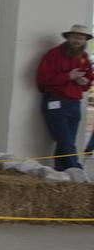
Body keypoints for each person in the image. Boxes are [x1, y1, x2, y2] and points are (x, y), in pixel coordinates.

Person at [35, 24, 93, 172]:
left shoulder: (84, 58)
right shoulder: (53, 55)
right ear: (68, 37)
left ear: (85, 41)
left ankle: (61, 172)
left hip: (74, 103)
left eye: (81, 38)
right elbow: (42, 78)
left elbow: (88, 80)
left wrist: (84, 82)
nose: (78, 41)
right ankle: (76, 170)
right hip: (56, 101)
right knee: (66, 141)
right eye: (75, 37)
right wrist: (67, 76)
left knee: (68, 141)